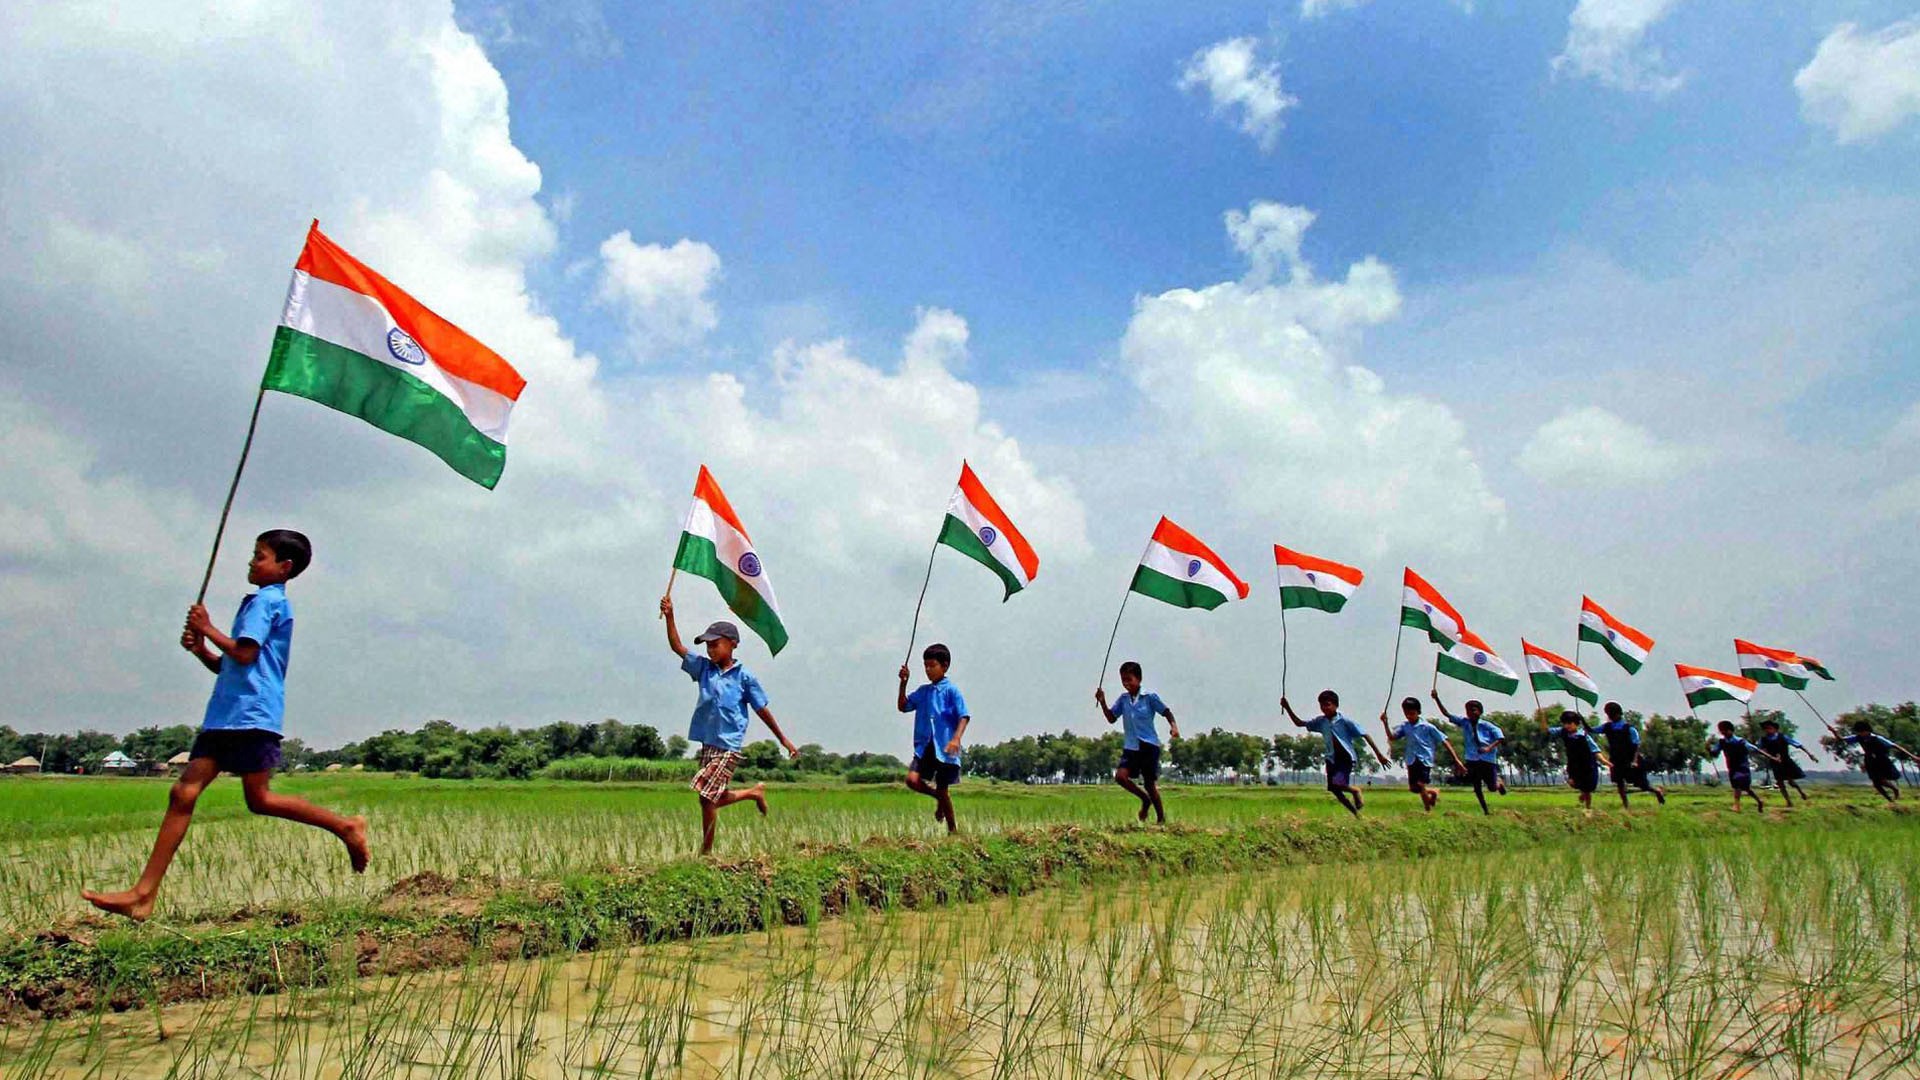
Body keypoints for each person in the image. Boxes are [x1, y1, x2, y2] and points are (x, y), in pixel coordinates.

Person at [83, 531, 368, 921]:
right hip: (226, 715)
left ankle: (345, 827)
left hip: (250, 716)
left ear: (284, 567)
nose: (251, 562)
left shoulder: (268, 603)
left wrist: (207, 627)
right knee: (184, 794)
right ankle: (142, 895)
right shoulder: (257, 602)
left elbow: (246, 654)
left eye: (260, 557)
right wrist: (203, 649)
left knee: (258, 799)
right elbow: (229, 664)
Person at [660, 596, 799, 855]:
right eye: (708, 646)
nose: (710, 650)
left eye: (715, 644)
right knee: (709, 798)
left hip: (728, 746)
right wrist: (670, 616)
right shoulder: (704, 669)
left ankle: (706, 851)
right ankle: (753, 794)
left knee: (706, 795)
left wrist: (783, 740)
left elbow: (762, 710)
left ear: (732, 645)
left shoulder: (744, 677)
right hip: (708, 743)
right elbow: (677, 647)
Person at [1095, 661, 1179, 823]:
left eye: (1129, 679)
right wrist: (1103, 702)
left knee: (1149, 784)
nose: (1126, 684)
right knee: (1121, 777)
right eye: (1123, 680)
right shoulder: (1123, 699)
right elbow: (1112, 718)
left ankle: (1161, 819)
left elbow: (1166, 712)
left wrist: (1173, 727)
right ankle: (1144, 800)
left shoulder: (1149, 697)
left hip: (1149, 745)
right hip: (1131, 746)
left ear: (1138, 679)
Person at [899, 643, 970, 834]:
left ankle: (953, 830)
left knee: (944, 788)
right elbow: (903, 706)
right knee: (912, 780)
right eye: (926, 666)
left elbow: (964, 716)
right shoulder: (923, 692)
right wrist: (903, 682)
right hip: (925, 746)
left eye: (932, 666)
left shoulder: (951, 691)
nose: (928, 670)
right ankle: (937, 797)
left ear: (944, 666)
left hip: (945, 747)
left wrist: (956, 739)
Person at [1283, 689, 1388, 818]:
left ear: (1335, 705)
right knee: (1334, 789)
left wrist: (1379, 755)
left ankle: (1355, 791)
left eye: (1327, 704)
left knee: (1339, 784)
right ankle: (1356, 814)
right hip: (1331, 758)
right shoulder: (1321, 722)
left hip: (1345, 757)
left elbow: (1365, 734)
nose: (1324, 708)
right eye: (1322, 705)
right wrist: (1287, 707)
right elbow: (1299, 723)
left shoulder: (1344, 721)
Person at [1380, 696, 1464, 812]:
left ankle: (1428, 810)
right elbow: (1392, 737)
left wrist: (1456, 759)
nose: (1409, 716)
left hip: (1424, 759)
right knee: (1414, 788)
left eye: (1412, 713)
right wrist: (1385, 723)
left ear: (1418, 712)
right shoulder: (1405, 726)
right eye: (1406, 713)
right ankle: (1433, 792)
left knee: (1420, 785)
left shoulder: (1428, 727)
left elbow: (1444, 741)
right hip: (1411, 759)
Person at [1432, 690, 1506, 815]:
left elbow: (1501, 738)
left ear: (1480, 712)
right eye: (1468, 710)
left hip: (1487, 759)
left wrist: (1488, 748)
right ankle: (1486, 810)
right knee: (1476, 786)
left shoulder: (1488, 726)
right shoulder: (1464, 722)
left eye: (1474, 710)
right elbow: (1447, 714)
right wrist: (1437, 699)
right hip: (1472, 759)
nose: (1471, 713)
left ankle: (1498, 784)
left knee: (1492, 787)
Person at [1828, 719, 1918, 804]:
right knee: (1876, 784)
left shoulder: (1877, 738)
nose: (1860, 734)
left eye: (1862, 732)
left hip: (1881, 760)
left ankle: (1895, 790)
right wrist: (1834, 732)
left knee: (1882, 780)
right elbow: (1842, 739)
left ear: (1867, 730)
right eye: (1859, 732)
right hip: (1870, 760)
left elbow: (1894, 746)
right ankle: (1890, 801)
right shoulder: (1858, 737)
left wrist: (1912, 756)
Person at [1596, 702, 1665, 808]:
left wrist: (1634, 761)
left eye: (1612, 714)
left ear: (1619, 714)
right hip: (1616, 759)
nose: (1611, 717)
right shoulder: (1607, 727)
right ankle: (1626, 805)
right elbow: (1592, 730)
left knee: (1642, 785)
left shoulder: (1629, 729)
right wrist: (1581, 720)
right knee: (1619, 782)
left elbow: (1636, 746)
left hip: (1630, 759)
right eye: (1609, 714)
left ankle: (1657, 791)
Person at [1543, 710, 1611, 813]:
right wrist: (1544, 725)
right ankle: (1583, 793)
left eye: (1570, 723)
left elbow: (1595, 750)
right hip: (1574, 764)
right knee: (1573, 783)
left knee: (1588, 788)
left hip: (1587, 764)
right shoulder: (1563, 732)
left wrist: (1605, 762)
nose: (1567, 726)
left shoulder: (1584, 735)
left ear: (1576, 724)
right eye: (1565, 723)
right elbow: (1549, 731)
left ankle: (1588, 809)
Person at [1708, 720, 1772, 812]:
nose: (1723, 733)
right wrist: (1709, 750)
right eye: (1721, 731)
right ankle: (1759, 801)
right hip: (1731, 767)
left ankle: (1737, 806)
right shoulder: (1722, 742)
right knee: (1745, 788)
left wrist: (1770, 756)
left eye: (1725, 730)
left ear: (1730, 730)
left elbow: (1754, 749)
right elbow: (1715, 753)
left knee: (1737, 785)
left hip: (1742, 766)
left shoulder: (1740, 741)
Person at [1756, 718, 1815, 805]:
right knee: (1780, 782)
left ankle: (1801, 792)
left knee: (1791, 781)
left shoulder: (1782, 737)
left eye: (1769, 728)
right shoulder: (1763, 740)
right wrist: (1769, 756)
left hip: (1786, 761)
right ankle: (1788, 801)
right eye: (1765, 728)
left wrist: (1809, 754)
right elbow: (1760, 750)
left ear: (1774, 728)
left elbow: (1798, 745)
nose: (1768, 730)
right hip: (1775, 763)